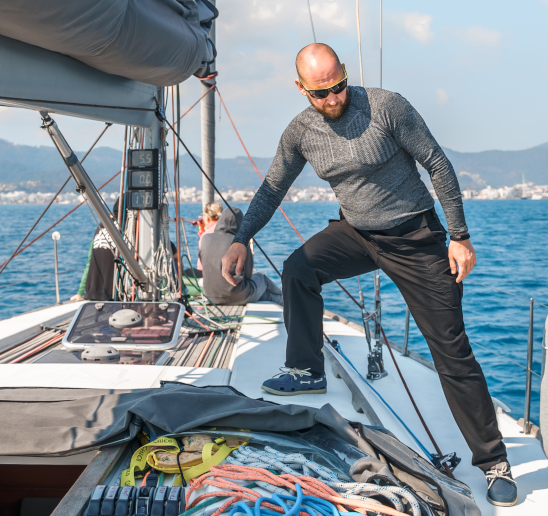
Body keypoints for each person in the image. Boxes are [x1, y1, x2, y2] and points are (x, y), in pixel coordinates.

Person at [220, 43, 517, 508]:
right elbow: (274, 185)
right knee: (300, 268)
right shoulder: (301, 132)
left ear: (345, 75)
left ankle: (494, 461)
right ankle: (304, 369)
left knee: (451, 351)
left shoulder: (386, 106)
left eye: (338, 87)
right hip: (356, 232)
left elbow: (437, 162)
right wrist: (241, 236)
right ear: (301, 89)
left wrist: (459, 235)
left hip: (415, 236)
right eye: (321, 94)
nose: (333, 99)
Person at [198, 205, 283, 306]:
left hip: (210, 296)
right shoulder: (239, 244)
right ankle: (286, 297)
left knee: (265, 295)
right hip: (237, 295)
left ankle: (284, 299)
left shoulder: (205, 239)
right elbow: (248, 275)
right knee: (262, 278)